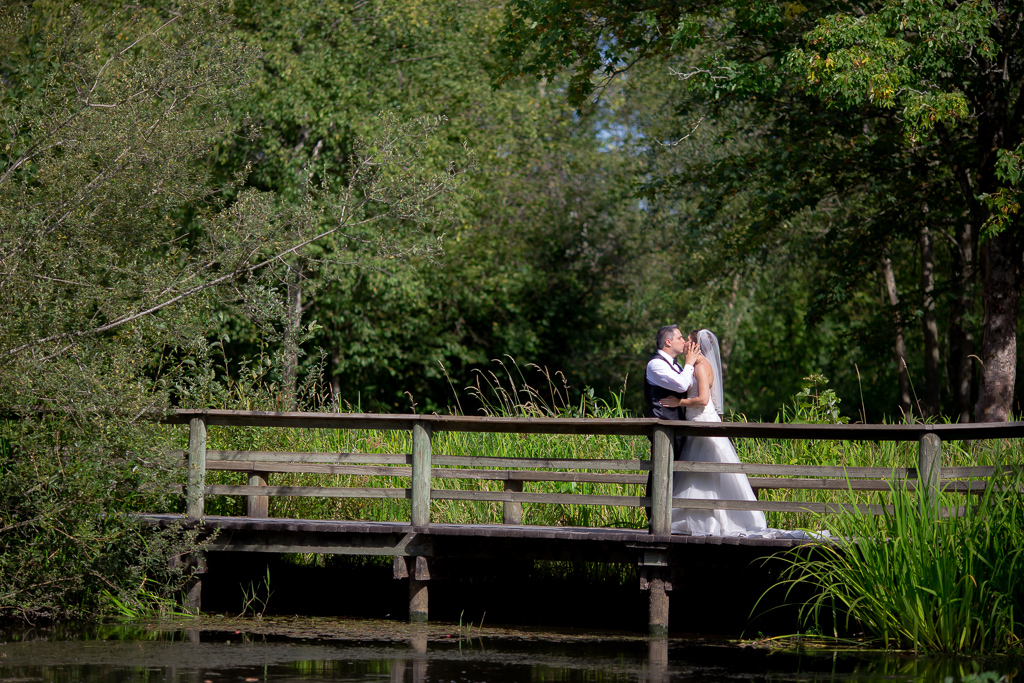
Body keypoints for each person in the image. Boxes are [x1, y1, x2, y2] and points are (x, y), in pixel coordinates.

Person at [660, 329, 768, 537]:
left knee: (709, 467)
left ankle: (719, 519)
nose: (684, 345)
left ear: (696, 345)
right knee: (698, 470)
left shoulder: (701, 367)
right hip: (694, 422)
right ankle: (704, 517)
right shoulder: (694, 366)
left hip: (703, 420)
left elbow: (703, 399)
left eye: (687, 342)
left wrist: (678, 402)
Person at [642, 325, 700, 522]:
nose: (684, 341)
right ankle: (654, 518)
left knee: (676, 472)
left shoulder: (675, 364)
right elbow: (682, 384)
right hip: (663, 428)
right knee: (660, 470)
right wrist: (690, 362)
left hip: (678, 426)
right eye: (680, 337)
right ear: (668, 342)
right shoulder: (655, 365)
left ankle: (672, 517)